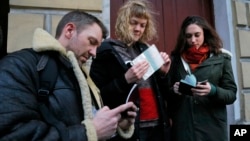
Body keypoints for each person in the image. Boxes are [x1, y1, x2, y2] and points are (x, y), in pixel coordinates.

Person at [0, 10, 138, 141]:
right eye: (92, 42)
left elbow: (89, 124)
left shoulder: (82, 75)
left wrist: (115, 125)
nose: (94, 53)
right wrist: (88, 132)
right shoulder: (19, 64)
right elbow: (14, 133)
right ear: (69, 31)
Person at [90, 0, 171, 141]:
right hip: (129, 128)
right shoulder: (106, 50)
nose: (138, 29)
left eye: (142, 25)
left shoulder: (146, 49)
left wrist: (163, 74)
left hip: (157, 125)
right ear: (123, 21)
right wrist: (125, 80)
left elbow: (164, 93)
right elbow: (97, 97)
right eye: (133, 23)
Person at [167, 15, 237, 141]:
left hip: (212, 129)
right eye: (188, 36)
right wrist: (174, 90)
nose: (193, 40)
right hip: (184, 130)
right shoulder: (175, 60)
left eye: (197, 35)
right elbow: (166, 97)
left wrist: (213, 90)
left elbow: (231, 94)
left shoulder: (222, 58)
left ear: (205, 33)